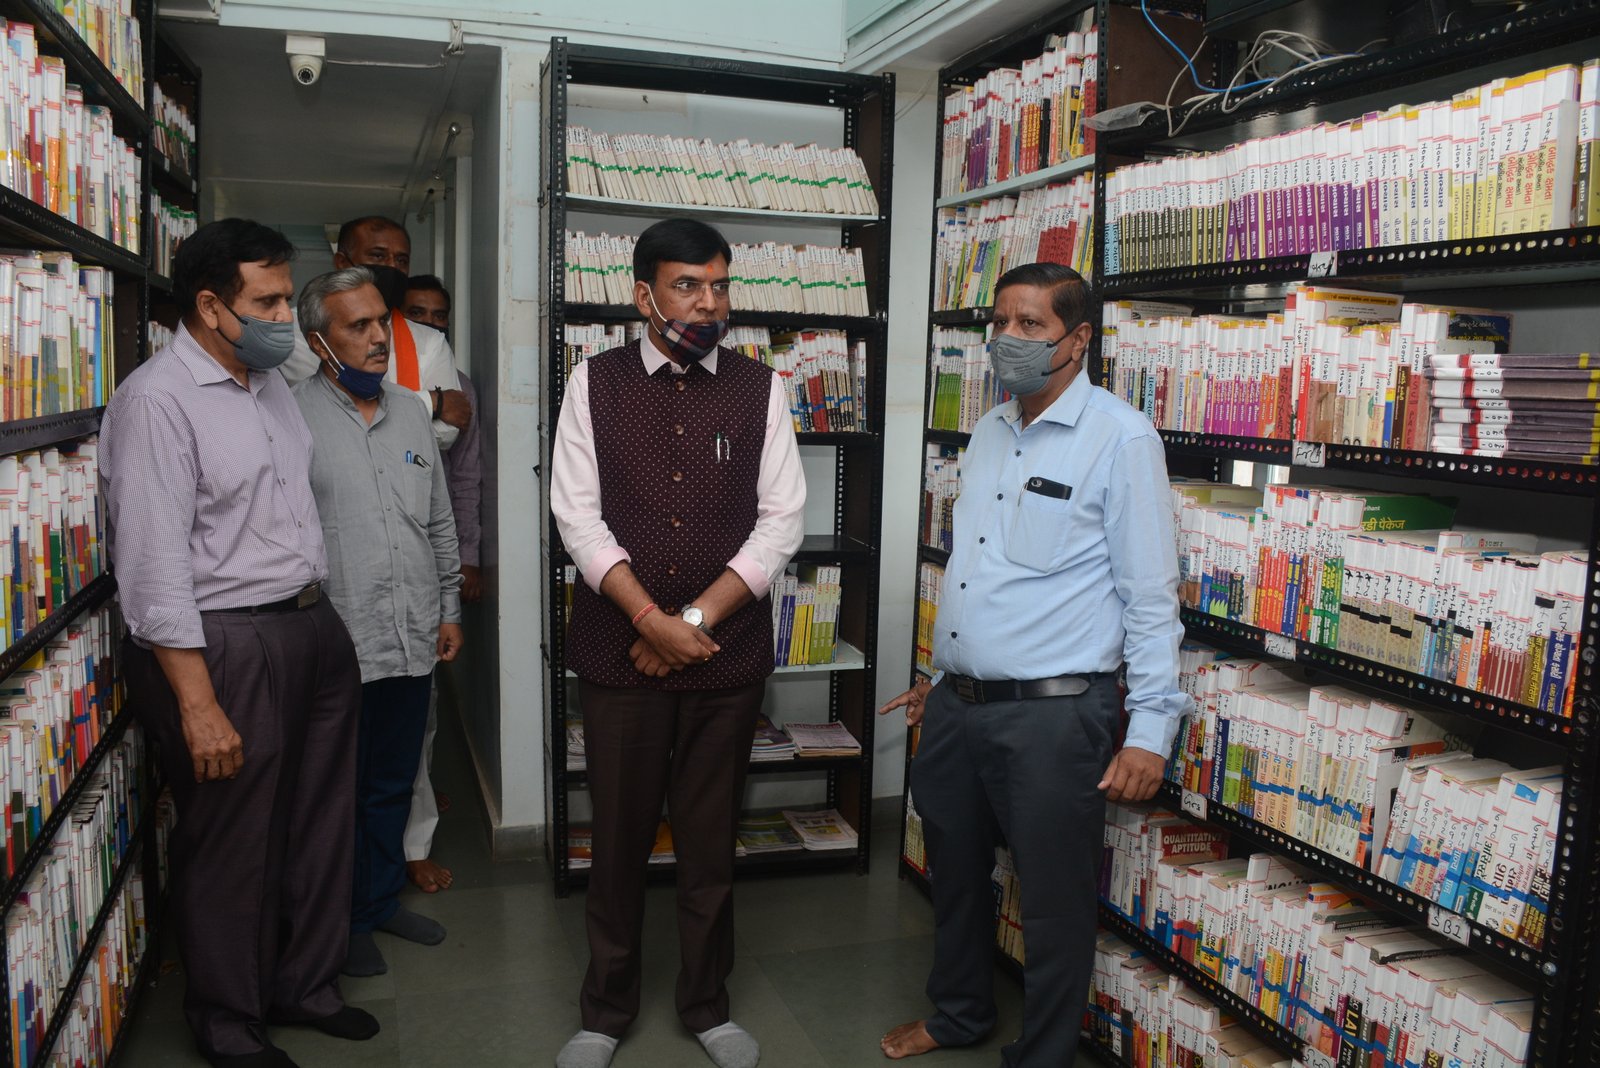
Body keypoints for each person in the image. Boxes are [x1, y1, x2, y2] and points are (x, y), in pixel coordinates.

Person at [877, 263, 1187, 1067]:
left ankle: (1042, 1056)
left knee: (1052, 901)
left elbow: (1149, 596)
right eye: (1000, 323)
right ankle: (959, 1014)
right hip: (959, 706)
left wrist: (1150, 731)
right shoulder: (989, 430)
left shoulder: (1120, 439)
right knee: (953, 875)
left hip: (1054, 715)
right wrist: (943, 677)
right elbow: (977, 571)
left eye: (1030, 326)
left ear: (1077, 340)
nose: (1007, 340)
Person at [100, 219, 377, 1067]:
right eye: (267, 303)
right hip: (224, 642)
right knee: (232, 840)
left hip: (310, 624)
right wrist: (198, 704)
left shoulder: (270, 386)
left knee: (321, 818)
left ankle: (305, 985)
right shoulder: (156, 402)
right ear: (211, 306)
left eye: (286, 299)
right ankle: (228, 1022)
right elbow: (151, 568)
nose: (285, 319)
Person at [549, 217, 805, 1068]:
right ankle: (604, 1012)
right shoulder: (593, 383)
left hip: (723, 658)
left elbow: (781, 523)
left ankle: (706, 1005)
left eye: (719, 286)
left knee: (708, 843)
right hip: (617, 656)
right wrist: (646, 620)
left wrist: (688, 623)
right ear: (644, 295)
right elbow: (576, 516)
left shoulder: (761, 389)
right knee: (618, 842)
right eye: (688, 285)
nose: (707, 302)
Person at [291, 267, 466, 979]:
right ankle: (342, 920)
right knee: (334, 789)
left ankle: (380, 898)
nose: (377, 338)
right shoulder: (289, 417)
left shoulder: (411, 412)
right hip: (336, 639)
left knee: (395, 777)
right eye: (356, 326)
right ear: (318, 341)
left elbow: (439, 519)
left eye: (380, 323)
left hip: (412, 629)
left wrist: (449, 607)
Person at [400, 274, 482, 894]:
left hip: (431, 556)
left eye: (439, 315)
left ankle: (416, 818)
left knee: (418, 704)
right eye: (416, 313)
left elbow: (463, 480)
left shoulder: (462, 387)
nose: (429, 325)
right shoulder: (320, 383)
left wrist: (464, 563)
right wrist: (427, 404)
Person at [281, 216, 471, 451]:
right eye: (378, 256)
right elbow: (325, 410)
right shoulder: (295, 329)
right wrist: (432, 402)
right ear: (342, 262)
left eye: (401, 260)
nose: (392, 267)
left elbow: (447, 432)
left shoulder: (430, 340)